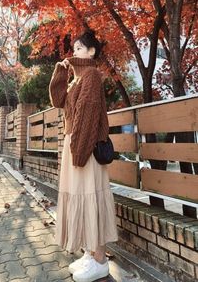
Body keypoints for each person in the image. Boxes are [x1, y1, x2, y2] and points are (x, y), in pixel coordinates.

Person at [49, 30, 118, 282]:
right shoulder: (77, 79)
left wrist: (78, 152)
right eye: (74, 48)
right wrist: (60, 71)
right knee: (83, 198)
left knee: (91, 201)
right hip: (76, 145)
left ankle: (100, 260)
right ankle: (91, 254)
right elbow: (59, 101)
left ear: (91, 52)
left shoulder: (91, 76)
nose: (74, 51)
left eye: (79, 48)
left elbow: (87, 116)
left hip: (84, 147)